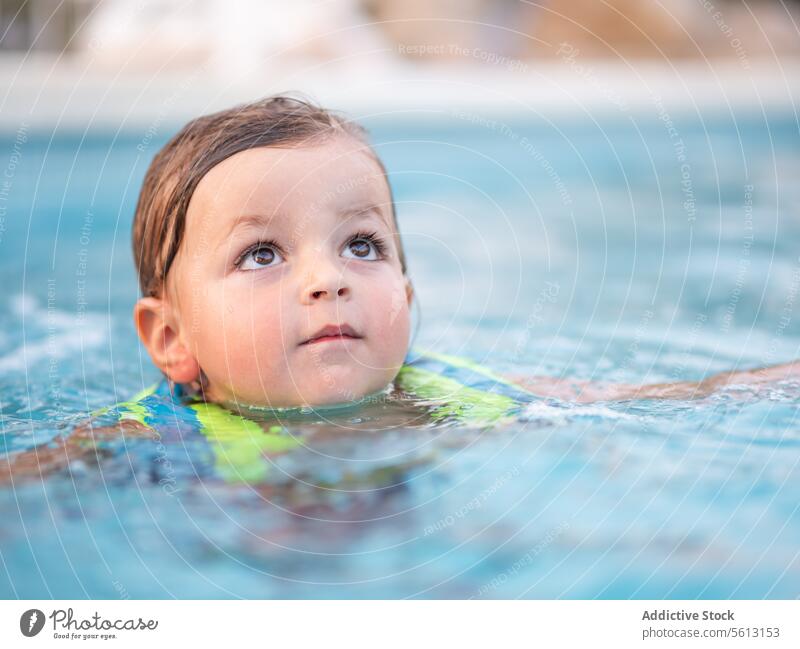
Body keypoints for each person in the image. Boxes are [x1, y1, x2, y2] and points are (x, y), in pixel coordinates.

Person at [3, 94, 798, 484]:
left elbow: (668, 398)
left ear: (409, 300)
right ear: (171, 339)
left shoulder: (450, 395)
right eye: (261, 253)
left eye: (361, 244)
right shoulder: (151, 442)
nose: (329, 279)